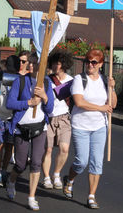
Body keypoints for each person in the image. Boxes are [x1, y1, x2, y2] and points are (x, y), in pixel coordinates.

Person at [63, 49, 117, 209]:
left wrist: (112, 88)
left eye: (94, 62)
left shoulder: (105, 80)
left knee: (96, 162)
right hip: (81, 125)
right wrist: (101, 108)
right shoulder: (79, 79)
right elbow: (79, 102)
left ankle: (91, 196)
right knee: (82, 160)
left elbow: (112, 105)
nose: (90, 65)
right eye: (88, 61)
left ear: (100, 64)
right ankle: (70, 179)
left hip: (100, 126)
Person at [5, 57, 54, 211]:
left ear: (42, 66)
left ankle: (31, 197)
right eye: (29, 63)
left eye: (34, 63)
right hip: (22, 128)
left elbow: (50, 108)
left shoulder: (46, 82)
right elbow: (10, 103)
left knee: (36, 163)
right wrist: (28, 103)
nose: (31, 65)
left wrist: (45, 97)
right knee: (20, 164)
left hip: (40, 128)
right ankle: (11, 181)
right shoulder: (20, 81)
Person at [42, 50, 74, 190]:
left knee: (64, 148)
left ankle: (56, 174)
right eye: (54, 63)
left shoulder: (71, 81)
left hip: (64, 118)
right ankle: (46, 177)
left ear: (64, 65)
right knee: (48, 149)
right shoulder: (47, 80)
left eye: (59, 63)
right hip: (48, 117)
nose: (56, 66)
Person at [0, 55, 20, 187]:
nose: (11, 72)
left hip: (13, 118)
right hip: (0, 116)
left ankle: (4, 170)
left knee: (9, 145)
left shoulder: (20, 79)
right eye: (10, 69)